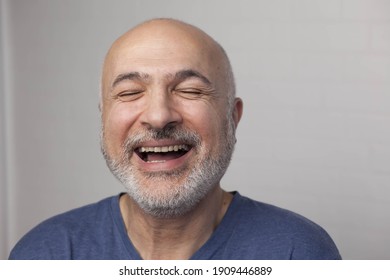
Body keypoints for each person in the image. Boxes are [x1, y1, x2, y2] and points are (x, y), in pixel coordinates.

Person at [9, 18, 341, 260]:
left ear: (232, 118)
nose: (158, 115)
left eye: (190, 90)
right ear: (104, 120)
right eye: (130, 92)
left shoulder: (299, 252)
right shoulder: (45, 254)